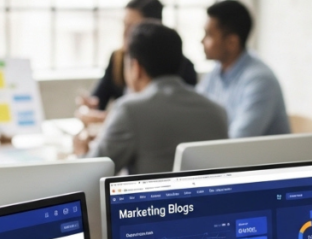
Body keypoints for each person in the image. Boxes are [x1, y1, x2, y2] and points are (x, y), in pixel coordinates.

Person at [75, 22, 227, 175]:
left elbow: (90, 177)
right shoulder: (218, 111)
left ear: (136, 68)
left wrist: (81, 152)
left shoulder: (130, 110)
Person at [79, 0, 198, 119]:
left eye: (132, 26)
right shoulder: (118, 59)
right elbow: (98, 101)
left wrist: (116, 119)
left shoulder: (179, 65)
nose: (125, 32)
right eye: (124, 25)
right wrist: (90, 108)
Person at [198, 0, 289, 138]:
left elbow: (238, 141)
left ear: (231, 42)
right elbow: (196, 113)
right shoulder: (217, 70)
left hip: (262, 158)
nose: (202, 41)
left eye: (209, 35)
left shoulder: (260, 81)